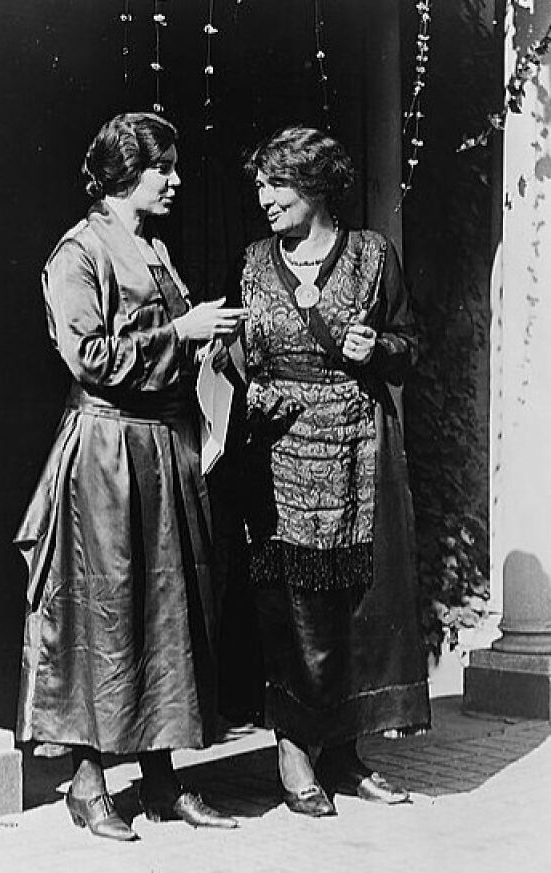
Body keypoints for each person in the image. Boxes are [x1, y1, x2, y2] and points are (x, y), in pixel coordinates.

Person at [14, 112, 246, 842]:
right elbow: (89, 357)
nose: (176, 180)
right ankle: (87, 782)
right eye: (163, 169)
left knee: (166, 609)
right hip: (108, 454)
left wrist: (208, 346)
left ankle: (161, 777)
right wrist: (180, 333)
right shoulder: (77, 254)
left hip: (161, 450)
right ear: (123, 175)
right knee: (102, 611)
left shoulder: (155, 249)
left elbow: (166, 350)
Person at [238, 125, 431, 818]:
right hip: (279, 452)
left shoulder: (374, 257)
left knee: (354, 601)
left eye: (276, 183)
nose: (264, 197)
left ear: (316, 185)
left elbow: (412, 346)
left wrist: (378, 345)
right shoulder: (257, 261)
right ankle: (293, 747)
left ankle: (345, 754)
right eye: (260, 184)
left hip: (358, 448)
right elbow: (244, 352)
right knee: (290, 604)